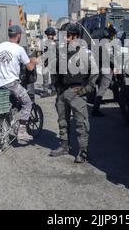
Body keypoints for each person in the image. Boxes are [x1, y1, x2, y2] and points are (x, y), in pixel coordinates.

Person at [49, 23, 98, 163]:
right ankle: (64, 146)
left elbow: (94, 73)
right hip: (62, 92)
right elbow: (54, 70)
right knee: (62, 121)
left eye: (67, 36)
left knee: (81, 124)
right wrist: (57, 87)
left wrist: (86, 90)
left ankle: (83, 152)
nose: (64, 39)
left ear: (76, 37)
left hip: (77, 92)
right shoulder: (60, 52)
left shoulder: (85, 53)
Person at [0, 25, 37, 141]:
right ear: (19, 35)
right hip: (10, 83)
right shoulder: (19, 49)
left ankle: (6, 124)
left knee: (8, 105)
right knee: (27, 103)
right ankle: (22, 131)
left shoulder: (0, 46)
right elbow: (29, 67)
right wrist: (33, 61)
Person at [92, 24, 117, 117]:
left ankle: (117, 98)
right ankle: (95, 109)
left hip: (99, 67)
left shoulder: (100, 42)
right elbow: (110, 57)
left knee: (111, 84)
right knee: (102, 89)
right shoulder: (107, 43)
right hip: (107, 68)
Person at [40, 27, 57, 98]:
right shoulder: (44, 42)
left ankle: (54, 90)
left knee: (54, 78)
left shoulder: (56, 43)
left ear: (53, 35)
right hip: (45, 62)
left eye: (51, 35)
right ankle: (45, 91)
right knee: (45, 78)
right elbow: (41, 52)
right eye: (48, 35)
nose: (49, 36)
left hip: (53, 62)